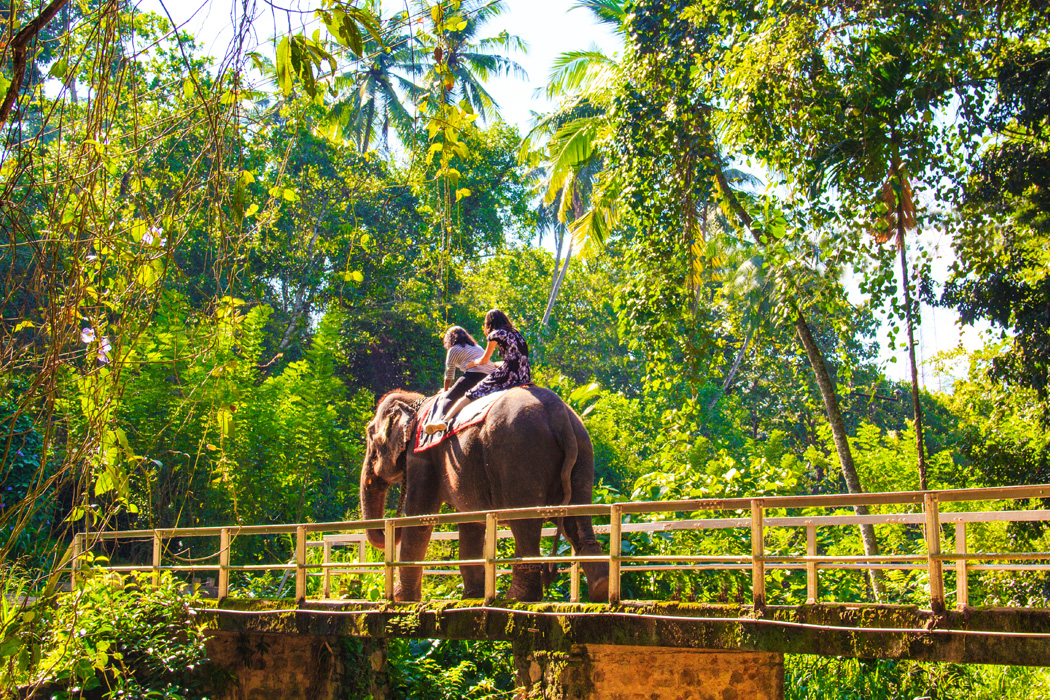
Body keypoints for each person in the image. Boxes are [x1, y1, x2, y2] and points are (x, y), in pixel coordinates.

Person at [424, 309, 531, 434]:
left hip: (508, 374)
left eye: (485, 323)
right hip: (524, 373)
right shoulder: (517, 334)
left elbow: (485, 360)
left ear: (489, 324)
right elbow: (516, 358)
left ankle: (444, 420)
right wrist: (496, 364)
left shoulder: (495, 334)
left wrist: (473, 363)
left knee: (471, 394)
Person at [432, 325, 496, 421]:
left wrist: (445, 391)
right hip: (491, 376)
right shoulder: (476, 346)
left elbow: (449, 374)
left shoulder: (453, 349)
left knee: (448, 398)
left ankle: (439, 421)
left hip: (474, 374)